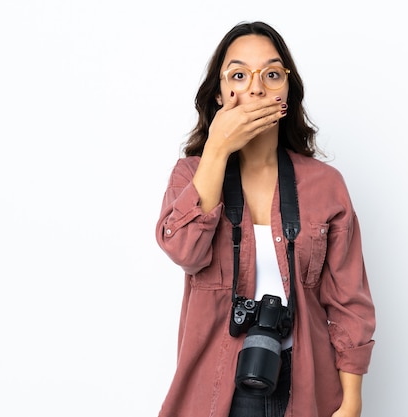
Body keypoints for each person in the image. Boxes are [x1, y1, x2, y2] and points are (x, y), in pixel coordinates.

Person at [155, 21, 376, 417]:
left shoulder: (325, 185)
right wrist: (218, 150)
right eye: (238, 75)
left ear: (287, 94)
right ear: (220, 94)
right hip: (216, 385)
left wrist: (351, 400)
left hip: (305, 383)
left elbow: (349, 302)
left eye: (272, 74)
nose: (256, 88)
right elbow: (184, 251)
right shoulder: (191, 175)